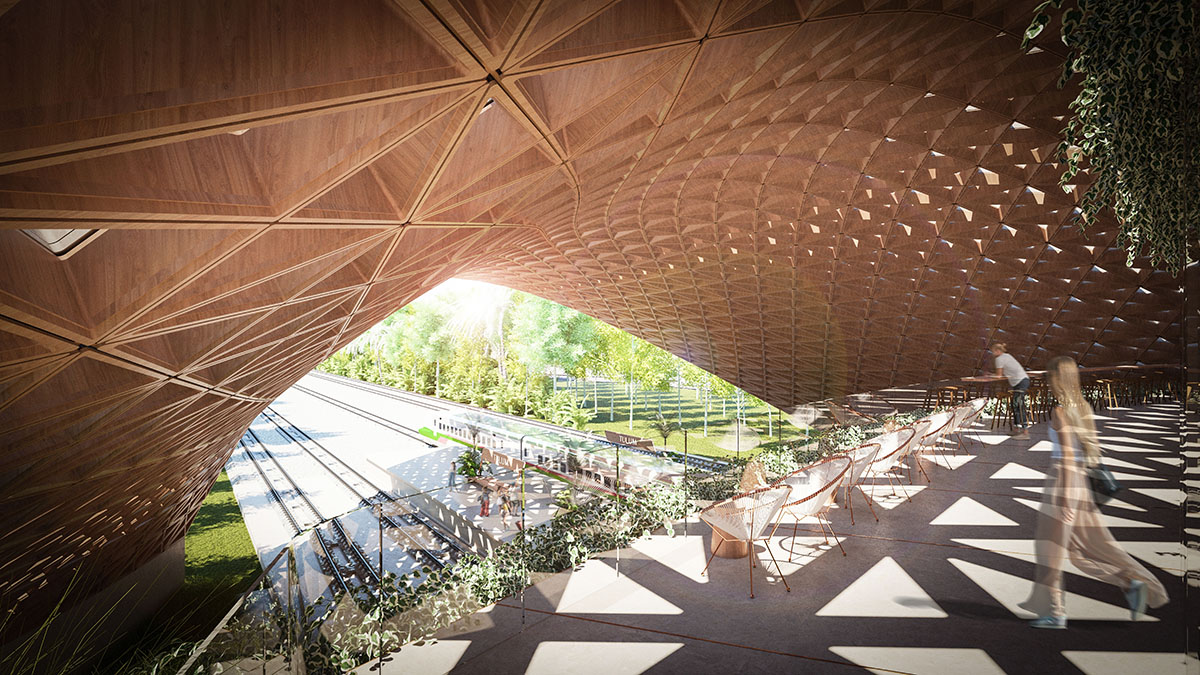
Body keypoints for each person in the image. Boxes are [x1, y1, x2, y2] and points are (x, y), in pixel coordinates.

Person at [1021, 356, 1167, 629]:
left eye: (1049, 377)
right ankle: (1133, 583)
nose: (1046, 382)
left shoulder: (1060, 411)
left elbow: (1065, 457)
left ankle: (1055, 612)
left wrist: (1063, 499)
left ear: (1057, 379)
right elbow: (1090, 450)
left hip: (1063, 483)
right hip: (1081, 482)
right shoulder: (1083, 407)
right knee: (1085, 548)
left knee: (1051, 550)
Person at [991, 342, 1030, 439]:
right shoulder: (1007, 356)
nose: (993, 353)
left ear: (998, 351)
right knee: (1015, 404)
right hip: (1022, 381)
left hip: (1020, 382)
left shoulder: (999, 359)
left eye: (993, 351)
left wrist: (989, 375)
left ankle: (1025, 432)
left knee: (1019, 405)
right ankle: (1017, 429)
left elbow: (999, 376)